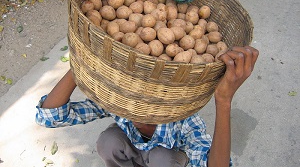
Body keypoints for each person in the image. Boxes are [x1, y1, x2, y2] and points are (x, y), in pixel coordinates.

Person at [35, 46, 259, 167]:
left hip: (166, 160)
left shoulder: (185, 120)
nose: (137, 108)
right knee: (108, 141)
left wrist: (223, 101)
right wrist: (81, 64)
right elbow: (51, 116)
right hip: (131, 150)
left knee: (163, 158)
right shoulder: (119, 100)